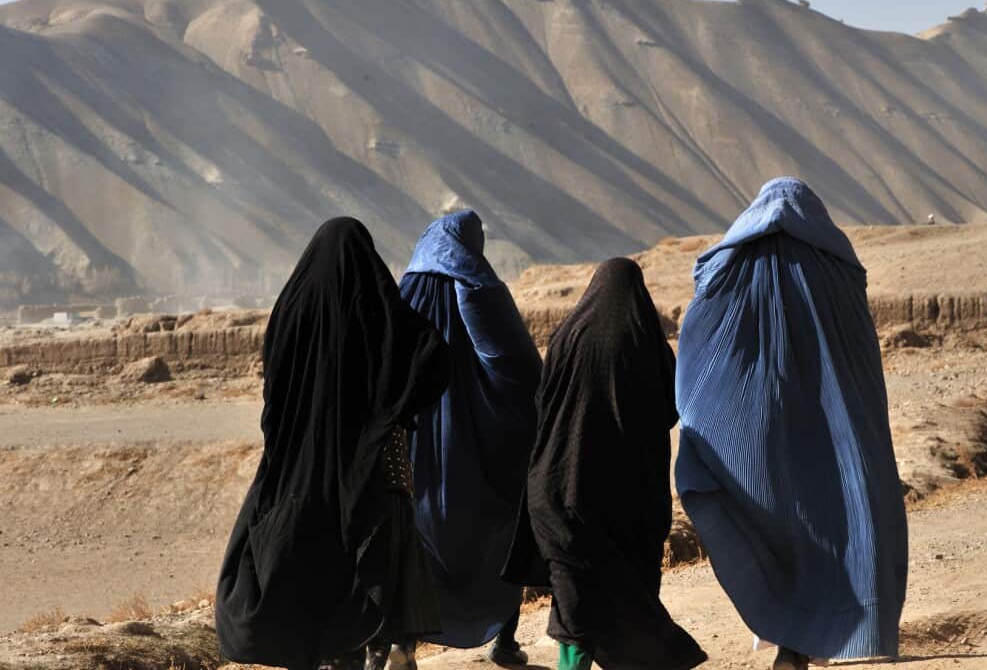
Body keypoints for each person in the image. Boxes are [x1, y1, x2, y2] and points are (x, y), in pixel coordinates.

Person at [674, 178, 909, 670]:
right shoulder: (837, 267)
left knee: (781, 517)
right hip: (835, 422)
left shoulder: (732, 265)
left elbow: (702, 340)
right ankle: (821, 636)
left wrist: (703, 420)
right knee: (839, 516)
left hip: (761, 428)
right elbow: (861, 354)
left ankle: (790, 636)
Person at [216, 217, 452, 670]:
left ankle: (327, 650)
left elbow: (274, 391)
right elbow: (432, 360)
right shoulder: (376, 305)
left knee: (309, 551)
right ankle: (375, 647)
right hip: (369, 465)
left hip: (299, 465)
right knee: (370, 556)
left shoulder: (291, 307)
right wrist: (389, 407)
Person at [502, 258, 707, 670]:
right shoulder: (647, 343)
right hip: (630, 496)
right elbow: (671, 409)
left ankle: (571, 663)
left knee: (573, 588)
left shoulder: (565, 336)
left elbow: (543, 400)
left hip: (563, 485)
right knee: (632, 590)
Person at [398, 211, 542, 665]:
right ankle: (504, 640)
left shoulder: (404, 295)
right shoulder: (483, 292)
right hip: (485, 448)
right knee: (500, 536)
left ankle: (401, 643)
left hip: (417, 451)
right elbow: (519, 367)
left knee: (413, 545)